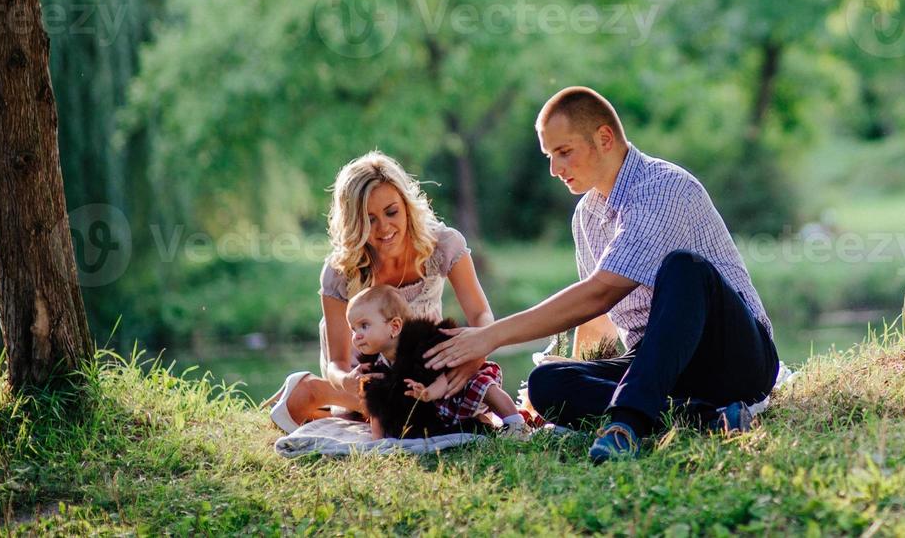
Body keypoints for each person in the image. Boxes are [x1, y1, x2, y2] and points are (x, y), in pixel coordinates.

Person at [429, 86, 779, 463]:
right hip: (659, 367)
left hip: (735, 357)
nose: (555, 169)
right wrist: (572, 371)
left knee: (684, 268)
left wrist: (488, 338)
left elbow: (601, 292)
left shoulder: (663, 188)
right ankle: (705, 417)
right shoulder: (586, 217)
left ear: (605, 138)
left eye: (564, 152)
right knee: (547, 382)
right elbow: (596, 315)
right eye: (549, 156)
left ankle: (625, 425)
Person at [263, 151, 497, 431]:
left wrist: (475, 357)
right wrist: (344, 380)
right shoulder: (341, 271)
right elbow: (338, 361)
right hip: (367, 368)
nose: (384, 227)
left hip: (417, 362)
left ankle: (336, 401)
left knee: (458, 397)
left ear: (407, 206)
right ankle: (315, 390)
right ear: (354, 222)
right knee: (390, 413)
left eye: (391, 212)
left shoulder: (443, 245)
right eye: (369, 219)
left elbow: (481, 314)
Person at [346, 285, 524, 438]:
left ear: (394, 326)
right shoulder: (374, 366)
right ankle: (478, 423)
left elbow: (440, 376)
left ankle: (514, 421)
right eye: (353, 329)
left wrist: (429, 393)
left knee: (480, 384)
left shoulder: (422, 346)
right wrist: (378, 441)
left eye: (364, 326)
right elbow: (377, 406)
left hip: (454, 386)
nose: (357, 336)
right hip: (435, 412)